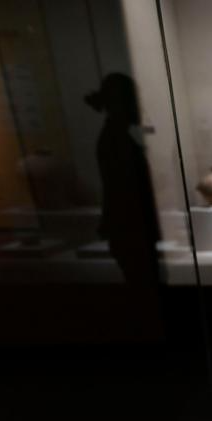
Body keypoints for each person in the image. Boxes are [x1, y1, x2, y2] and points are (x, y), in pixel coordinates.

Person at [87, 73, 161, 287]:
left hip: (130, 231)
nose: (139, 106)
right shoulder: (115, 141)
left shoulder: (116, 138)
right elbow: (124, 193)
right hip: (131, 231)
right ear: (123, 103)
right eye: (133, 99)